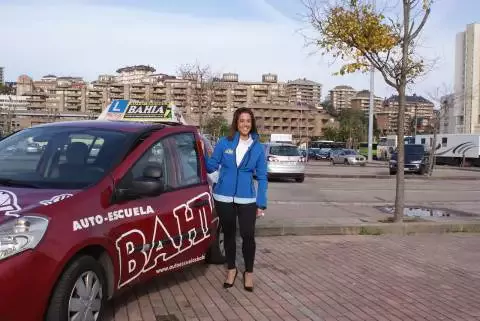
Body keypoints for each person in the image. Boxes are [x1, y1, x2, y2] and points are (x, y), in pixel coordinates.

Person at [203, 107, 268, 292]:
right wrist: (199, 153)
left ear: (252, 123)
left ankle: (248, 273)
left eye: (248, 121)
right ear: (236, 123)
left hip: (247, 199)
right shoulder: (225, 143)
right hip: (223, 196)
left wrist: (261, 202)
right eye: (241, 121)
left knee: (248, 236)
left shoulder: (257, 147)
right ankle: (231, 270)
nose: (245, 124)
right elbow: (212, 165)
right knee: (229, 236)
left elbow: (262, 176)